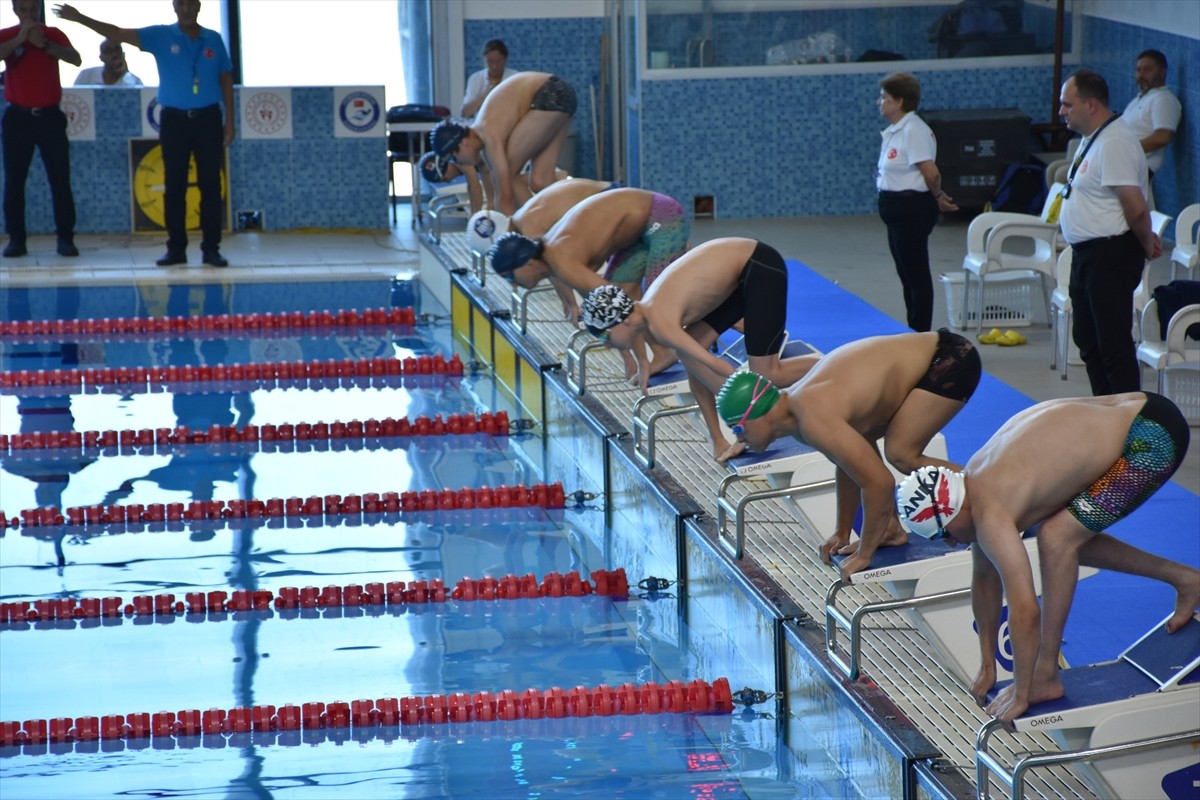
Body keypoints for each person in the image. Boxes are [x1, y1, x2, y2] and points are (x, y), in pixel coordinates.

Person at [896, 392, 1196, 725]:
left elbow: (1024, 609)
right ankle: (1186, 579)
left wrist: (1024, 691)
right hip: (1141, 411)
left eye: (943, 535)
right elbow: (983, 580)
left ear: (951, 515)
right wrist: (987, 662)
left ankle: (1047, 675)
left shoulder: (991, 514)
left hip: (1151, 438)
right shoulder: (972, 483)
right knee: (1064, 532)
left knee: (1057, 537)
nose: (951, 544)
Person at [715, 328, 980, 579]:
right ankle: (890, 531)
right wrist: (842, 532)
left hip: (948, 360)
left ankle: (990, 495)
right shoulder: (795, 411)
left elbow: (879, 483)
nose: (739, 438)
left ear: (756, 416)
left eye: (738, 428)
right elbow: (848, 464)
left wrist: (865, 552)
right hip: (927, 359)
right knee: (875, 447)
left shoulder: (812, 416)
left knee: (902, 454)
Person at [580, 238, 819, 458]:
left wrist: (743, 420)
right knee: (691, 356)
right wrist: (721, 436)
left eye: (604, 336)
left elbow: (718, 366)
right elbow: (696, 366)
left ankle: (831, 366)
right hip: (742, 272)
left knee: (767, 374)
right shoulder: (648, 312)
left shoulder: (660, 322)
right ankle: (717, 439)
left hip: (760, 269)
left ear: (623, 321)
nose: (607, 344)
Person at [55, 0, 235, 268]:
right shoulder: (160, 35)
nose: (186, 9)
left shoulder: (214, 39)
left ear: (199, 6)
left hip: (208, 119)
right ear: (175, 6)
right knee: (174, 186)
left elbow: (225, 80)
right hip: (174, 120)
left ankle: (211, 249)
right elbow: (116, 32)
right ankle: (176, 249)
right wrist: (80, 18)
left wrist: (229, 121)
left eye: (191, 3)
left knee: (211, 186)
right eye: (181, 4)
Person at [489, 187, 689, 376]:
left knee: (657, 298)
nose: (512, 284)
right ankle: (663, 354)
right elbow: (610, 311)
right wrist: (637, 360)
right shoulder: (551, 261)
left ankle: (683, 347)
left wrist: (626, 349)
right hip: (638, 235)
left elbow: (620, 306)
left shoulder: (561, 262)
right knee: (625, 294)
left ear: (526, 262)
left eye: (509, 276)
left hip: (662, 218)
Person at [1057, 68, 1161, 396]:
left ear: (1091, 105)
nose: (1061, 111)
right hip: (1088, 254)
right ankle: (1106, 413)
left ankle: (1130, 422)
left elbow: (1136, 206)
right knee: (1088, 341)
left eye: (1067, 104)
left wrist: (1146, 243)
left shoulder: (1115, 141)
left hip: (1110, 253)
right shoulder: (1093, 138)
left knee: (1112, 344)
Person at [875, 72, 958, 333]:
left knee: (916, 274)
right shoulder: (896, 130)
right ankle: (914, 328)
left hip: (910, 208)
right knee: (905, 273)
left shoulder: (914, 130)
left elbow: (931, 172)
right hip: (895, 210)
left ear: (899, 102)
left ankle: (921, 332)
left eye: (884, 98)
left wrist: (936, 196)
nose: (880, 102)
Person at [430, 72, 575, 215]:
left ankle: (537, 231)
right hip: (561, 94)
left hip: (549, 92)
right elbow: (494, 196)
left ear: (462, 144)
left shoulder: (488, 133)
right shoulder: (484, 147)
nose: (459, 163)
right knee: (541, 182)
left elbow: (504, 198)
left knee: (510, 175)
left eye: (455, 158)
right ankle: (574, 217)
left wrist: (505, 231)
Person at [1, 0, 82, 258]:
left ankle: (66, 239)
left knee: (60, 181)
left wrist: (44, 45)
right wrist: (20, 39)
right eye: (23, 10)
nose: (28, 14)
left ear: (38, 9)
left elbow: (76, 59)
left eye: (32, 9)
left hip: (49, 117)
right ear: (15, 10)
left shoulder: (53, 35)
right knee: (14, 182)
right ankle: (16, 240)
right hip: (18, 118)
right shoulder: (6, 35)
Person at [1123, 49, 1181, 181]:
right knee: (1070, 171)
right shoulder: (1142, 98)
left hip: (1135, 168)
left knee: (1069, 176)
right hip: (1122, 162)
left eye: (1148, 70)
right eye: (1138, 70)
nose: (1141, 75)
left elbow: (1163, 137)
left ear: (1162, 72)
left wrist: (1127, 150)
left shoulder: (1163, 99)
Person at [461, 39, 516, 119]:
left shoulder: (515, 78)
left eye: (498, 61)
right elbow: (465, 113)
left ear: (505, 59)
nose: (494, 66)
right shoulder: (475, 79)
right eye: (490, 61)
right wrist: (487, 93)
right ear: (484, 60)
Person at [73, 37, 142, 86]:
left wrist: (126, 74)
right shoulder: (86, 76)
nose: (114, 54)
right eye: (108, 51)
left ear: (123, 55)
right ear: (101, 58)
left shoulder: (134, 81)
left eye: (117, 50)